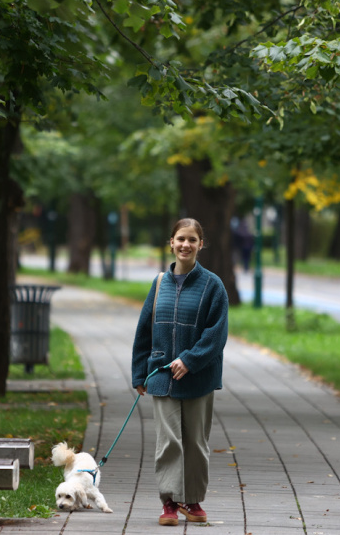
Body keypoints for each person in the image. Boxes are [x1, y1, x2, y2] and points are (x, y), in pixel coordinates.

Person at [131, 218, 229, 526]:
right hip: (161, 375)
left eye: (192, 240)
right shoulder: (159, 283)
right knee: (168, 440)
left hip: (198, 377)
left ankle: (193, 500)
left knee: (196, 442)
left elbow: (217, 334)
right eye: (180, 239)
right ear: (171, 243)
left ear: (201, 245)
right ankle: (170, 501)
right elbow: (144, 331)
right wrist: (138, 374)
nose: (185, 244)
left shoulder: (213, 285)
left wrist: (190, 359)